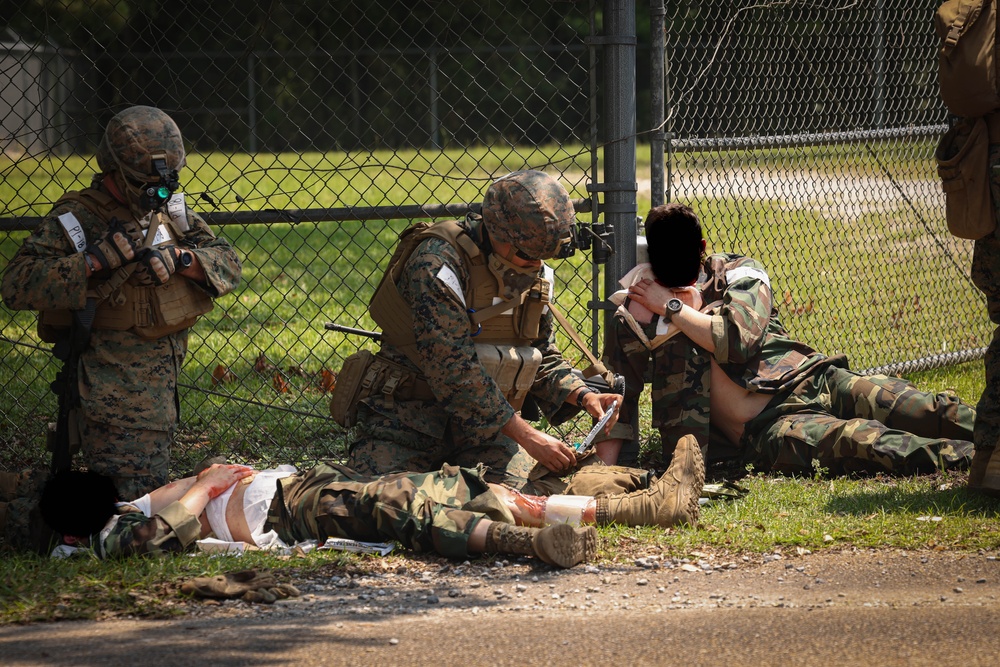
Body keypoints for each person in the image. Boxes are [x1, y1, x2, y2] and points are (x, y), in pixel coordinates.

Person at [597, 202, 980, 481]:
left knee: (924, 409)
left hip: (815, 380)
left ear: (702, 248)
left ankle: (989, 434)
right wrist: (602, 473)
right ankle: (984, 461)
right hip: (770, 427)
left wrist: (675, 307)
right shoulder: (635, 315)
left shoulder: (739, 272)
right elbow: (619, 396)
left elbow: (737, 340)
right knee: (871, 445)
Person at [344, 169, 649, 498]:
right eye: (529, 255)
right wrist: (528, 436)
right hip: (406, 421)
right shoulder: (438, 264)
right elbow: (453, 372)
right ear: (496, 233)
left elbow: (541, 352)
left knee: (531, 498)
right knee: (381, 500)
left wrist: (583, 395)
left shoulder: (535, 267)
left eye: (544, 257)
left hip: (485, 431)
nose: (536, 266)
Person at [1, 106, 242, 501]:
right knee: (132, 505)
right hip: (113, 391)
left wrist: (182, 260)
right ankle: (21, 508)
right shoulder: (77, 218)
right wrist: (92, 262)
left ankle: (18, 488)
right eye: (143, 182)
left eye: (165, 182)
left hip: (160, 389)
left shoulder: (169, 211)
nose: (157, 192)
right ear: (112, 169)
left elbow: (229, 264)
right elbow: (15, 284)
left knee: (133, 495)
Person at [37, 433, 705, 567]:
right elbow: (158, 536)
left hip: (300, 492)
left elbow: (158, 503)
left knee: (467, 487)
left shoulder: (117, 513)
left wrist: (200, 477)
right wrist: (208, 486)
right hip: (295, 510)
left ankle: (634, 502)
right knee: (417, 513)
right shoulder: (101, 542)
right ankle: (539, 541)